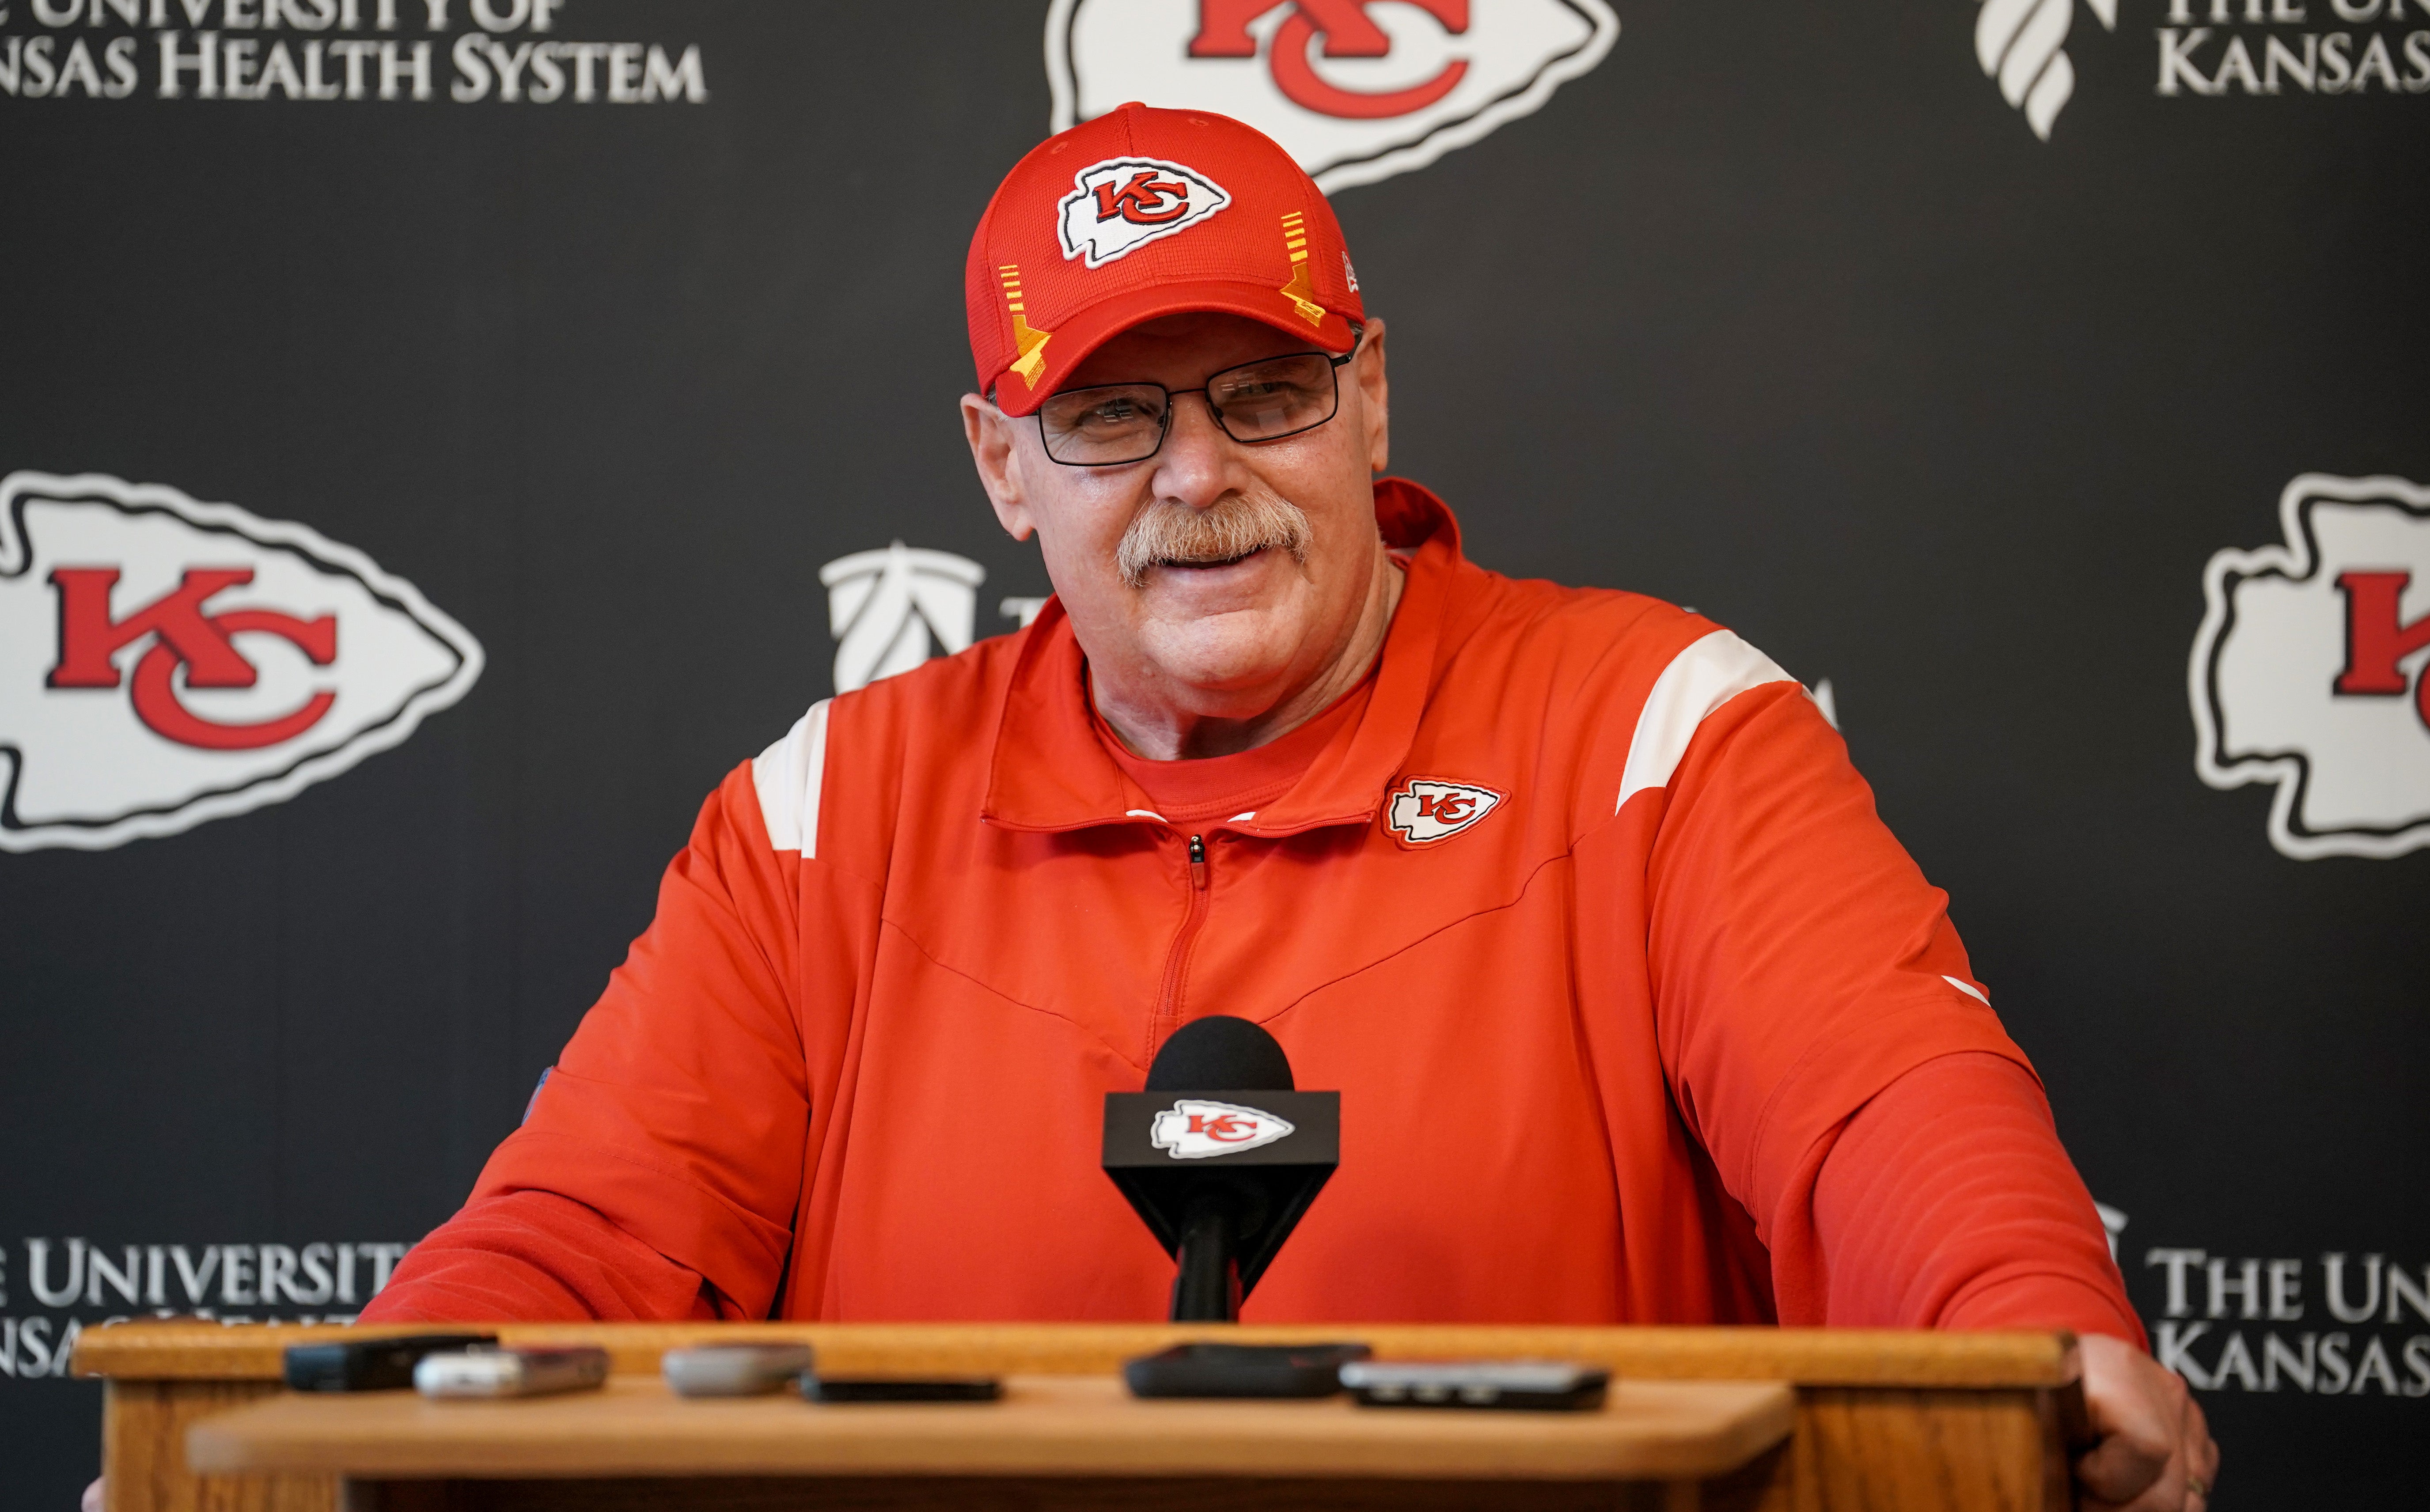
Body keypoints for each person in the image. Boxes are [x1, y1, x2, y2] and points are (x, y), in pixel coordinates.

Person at [355, 104, 2217, 1508]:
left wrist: (2024, 1331)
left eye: (1263, 393)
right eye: (1109, 417)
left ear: (1371, 395)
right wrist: (308, 1433)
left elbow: (1882, 1103)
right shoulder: (825, 810)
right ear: (999, 466)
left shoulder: (1655, 728)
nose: (1199, 477)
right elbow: (579, 1233)